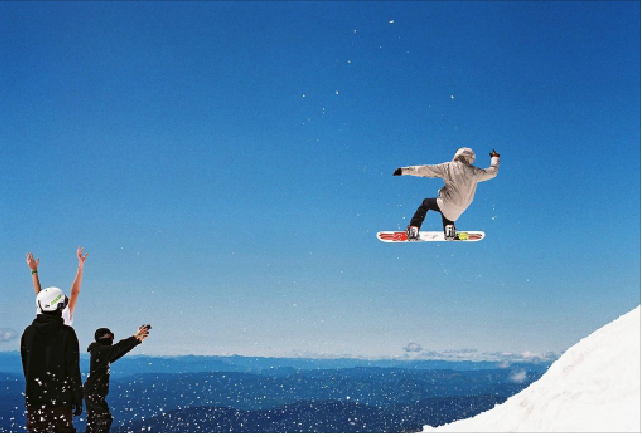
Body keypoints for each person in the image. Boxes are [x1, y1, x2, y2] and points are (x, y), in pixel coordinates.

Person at [393, 148, 500, 240]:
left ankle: (413, 229)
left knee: (426, 203)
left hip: (449, 202)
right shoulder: (474, 171)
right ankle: (449, 230)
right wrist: (495, 158)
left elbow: (425, 170)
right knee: (447, 208)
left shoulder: (448, 167)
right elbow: (493, 172)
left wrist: (404, 171)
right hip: (463, 206)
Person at [21, 287, 83, 432]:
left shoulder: (28, 333)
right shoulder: (67, 334)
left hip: (35, 400)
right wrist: (77, 398)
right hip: (61, 401)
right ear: (59, 306)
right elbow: (73, 369)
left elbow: (27, 367)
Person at [84, 325, 151, 433]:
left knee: (95, 421)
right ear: (104, 337)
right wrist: (135, 337)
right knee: (103, 419)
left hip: (93, 392)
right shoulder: (100, 351)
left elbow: (118, 352)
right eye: (109, 336)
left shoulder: (100, 352)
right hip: (94, 392)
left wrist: (136, 340)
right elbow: (118, 348)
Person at [26, 247, 88, 326]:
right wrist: (81, 266)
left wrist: (34, 270)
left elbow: (39, 294)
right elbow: (75, 293)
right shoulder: (64, 314)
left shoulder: (42, 312)